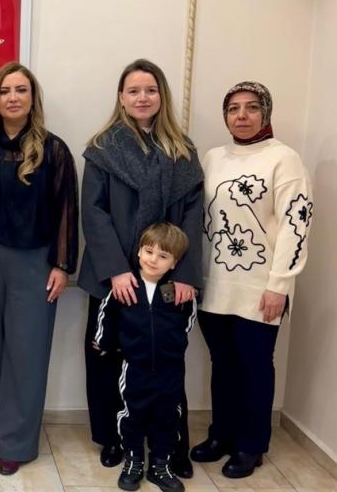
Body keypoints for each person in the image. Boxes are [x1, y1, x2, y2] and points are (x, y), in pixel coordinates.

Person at [79, 59, 203, 477]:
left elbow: (192, 217)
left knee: (166, 361)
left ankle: (172, 444)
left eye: (150, 90)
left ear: (161, 96)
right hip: (112, 275)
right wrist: (116, 270)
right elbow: (93, 212)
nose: (142, 97)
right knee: (107, 358)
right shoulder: (102, 147)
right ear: (121, 97)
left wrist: (183, 274)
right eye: (133, 90)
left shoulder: (182, 149)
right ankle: (112, 438)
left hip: (166, 277)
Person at [0, 62, 78, 475]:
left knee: (27, 352)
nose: (13, 97)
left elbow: (66, 207)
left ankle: (16, 443)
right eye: (5, 90)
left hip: (34, 261)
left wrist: (62, 264)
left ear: (32, 98)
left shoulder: (54, 149)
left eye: (21, 90)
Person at [190, 81, 313, 478]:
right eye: (233, 109)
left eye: (252, 107)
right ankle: (222, 434)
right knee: (222, 364)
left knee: (255, 365)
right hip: (214, 284)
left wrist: (280, 285)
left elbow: (296, 224)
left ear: (266, 113)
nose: (241, 115)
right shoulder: (213, 158)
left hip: (261, 288)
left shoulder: (284, 159)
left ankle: (252, 444)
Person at [94, 222, 197, 492]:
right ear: (139, 251)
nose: (153, 260)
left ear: (174, 263)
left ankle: (160, 465)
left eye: (163, 256)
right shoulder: (126, 287)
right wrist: (105, 341)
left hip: (169, 370)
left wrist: (175, 347)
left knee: (167, 416)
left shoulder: (178, 293)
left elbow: (188, 322)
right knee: (132, 415)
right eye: (149, 251)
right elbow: (107, 314)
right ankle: (133, 461)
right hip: (134, 368)